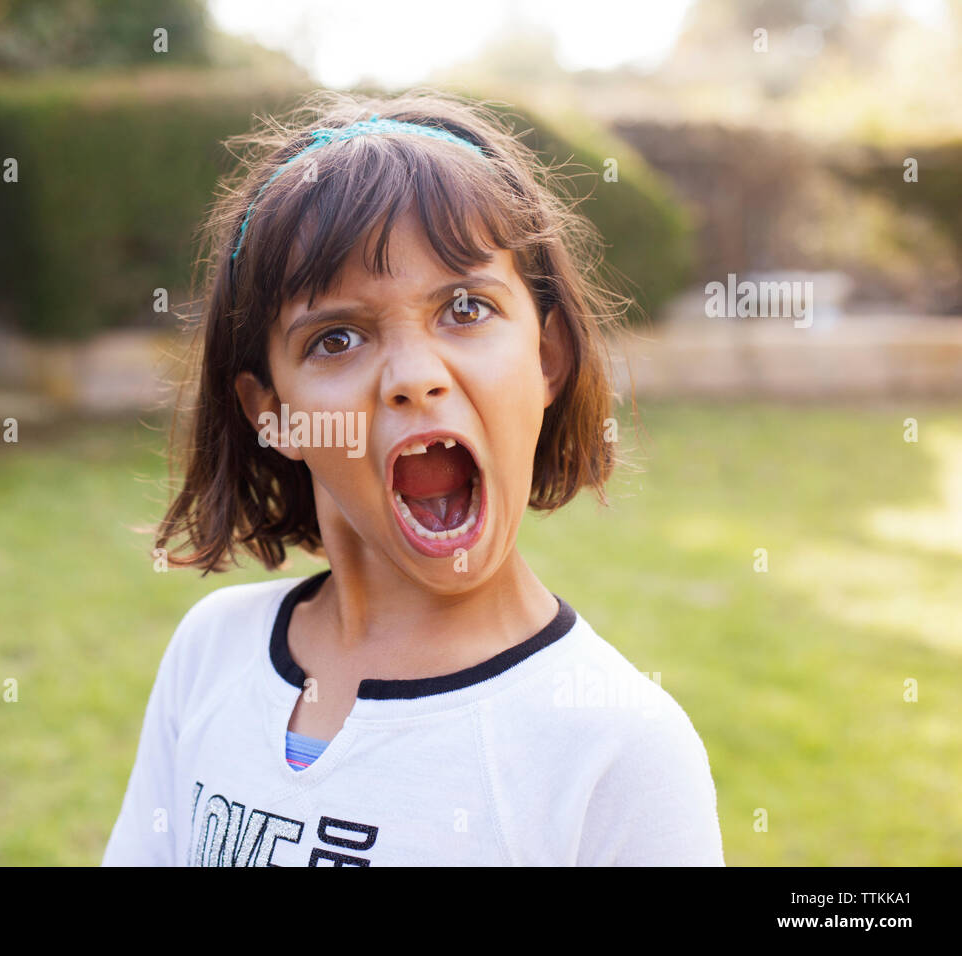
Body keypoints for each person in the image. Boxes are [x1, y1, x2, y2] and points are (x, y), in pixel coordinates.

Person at [102, 89, 725, 866]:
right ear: (275, 415)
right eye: (335, 338)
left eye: (465, 307)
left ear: (548, 358)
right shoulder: (211, 653)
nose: (412, 377)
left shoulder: (619, 748)